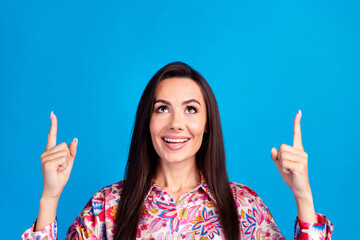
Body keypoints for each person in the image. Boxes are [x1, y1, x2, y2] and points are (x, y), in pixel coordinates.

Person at [22, 62, 333, 240]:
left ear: (208, 124)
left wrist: (303, 195)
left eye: (191, 109)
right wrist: (49, 198)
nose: (176, 124)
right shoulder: (108, 206)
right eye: (162, 109)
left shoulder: (243, 207)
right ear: (147, 121)